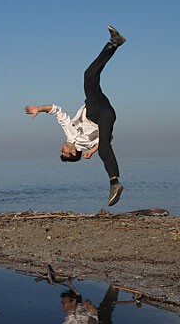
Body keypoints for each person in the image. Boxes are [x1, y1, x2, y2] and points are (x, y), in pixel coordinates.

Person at [25, 26, 127, 206]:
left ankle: (114, 43)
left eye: (61, 152)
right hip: (105, 117)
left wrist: (38, 109)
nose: (61, 149)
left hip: (95, 105)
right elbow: (108, 137)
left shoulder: (69, 131)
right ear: (73, 153)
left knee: (89, 75)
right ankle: (114, 182)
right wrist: (93, 150)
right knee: (104, 147)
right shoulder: (86, 145)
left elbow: (57, 110)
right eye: (64, 153)